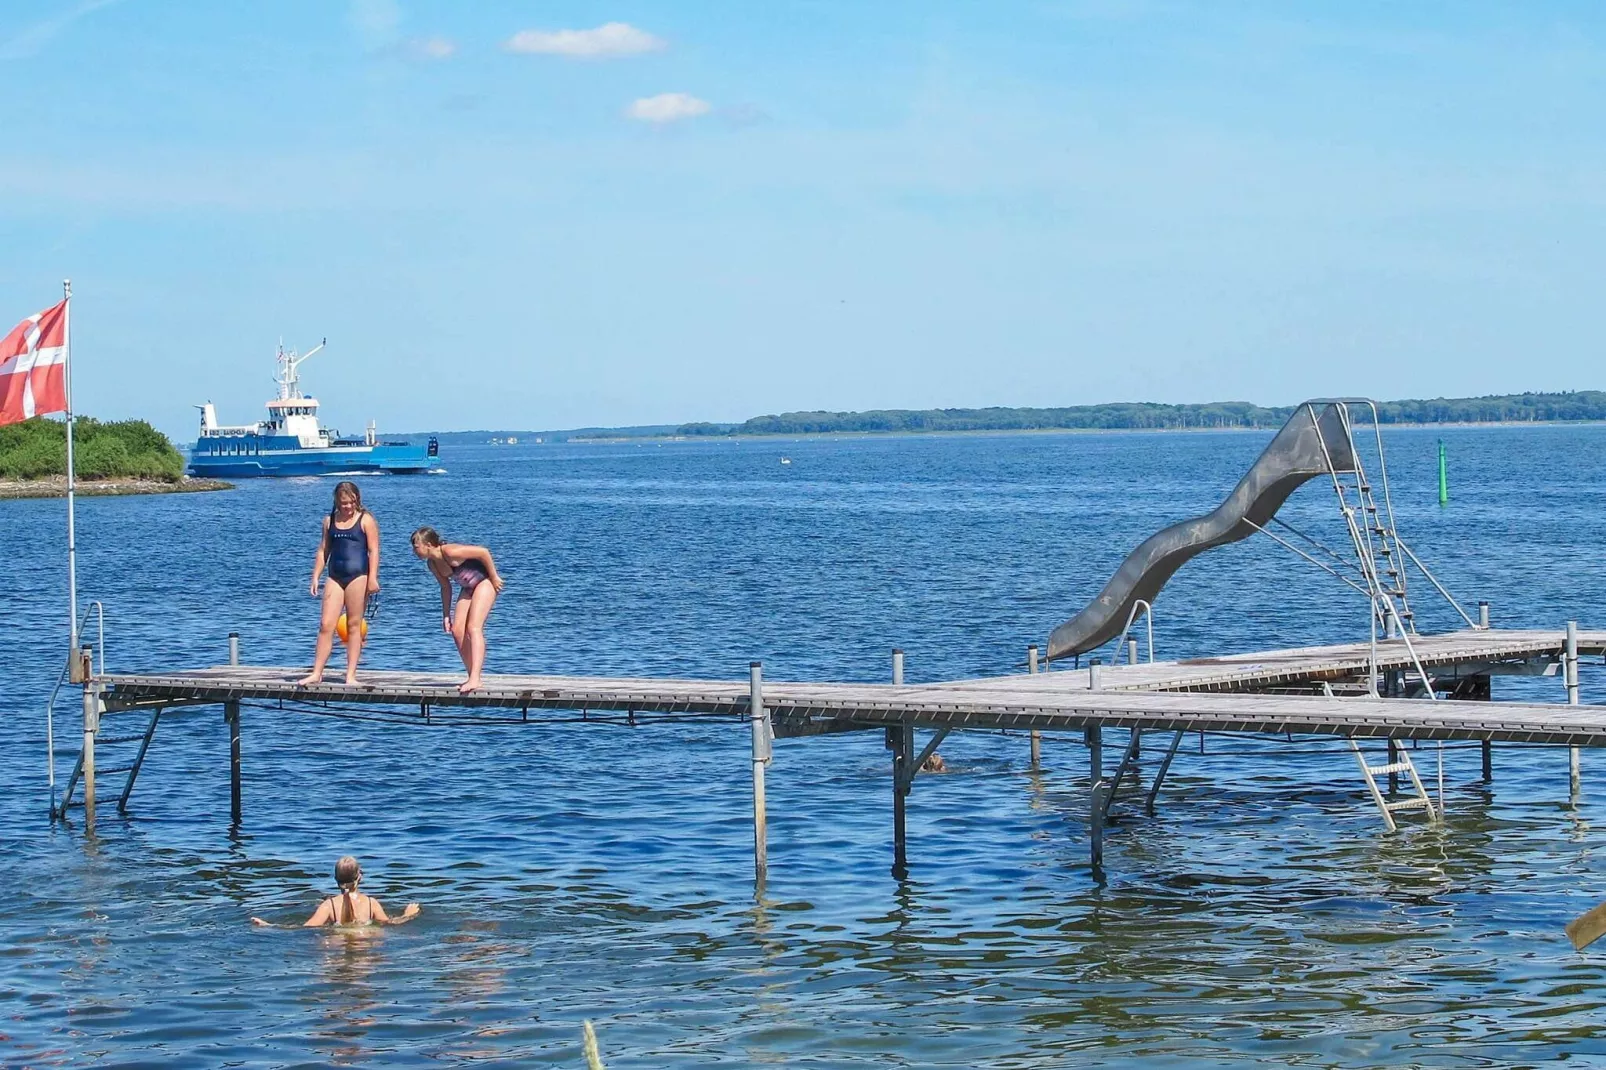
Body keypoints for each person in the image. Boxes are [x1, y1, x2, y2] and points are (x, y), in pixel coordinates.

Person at [298, 481, 380, 686]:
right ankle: (317, 672)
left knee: (354, 625)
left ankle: (350, 675)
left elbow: (374, 550)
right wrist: (316, 575)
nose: (348, 507)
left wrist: (373, 578)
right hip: (335, 576)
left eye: (352, 502)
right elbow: (323, 550)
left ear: (357, 500)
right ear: (337, 501)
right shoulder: (329, 521)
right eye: (344, 503)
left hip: (358, 575)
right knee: (326, 625)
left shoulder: (365, 520)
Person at [411, 526, 504, 693]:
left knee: (473, 628)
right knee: (457, 630)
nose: (414, 551)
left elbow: (483, 552)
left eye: (416, 546)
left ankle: (475, 678)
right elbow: (445, 587)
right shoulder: (433, 564)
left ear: (429, 544)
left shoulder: (451, 551)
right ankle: (472, 675)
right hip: (467, 588)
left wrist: (494, 576)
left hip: (484, 582)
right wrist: (446, 615)